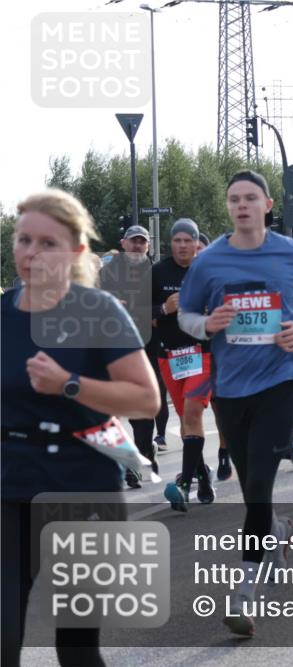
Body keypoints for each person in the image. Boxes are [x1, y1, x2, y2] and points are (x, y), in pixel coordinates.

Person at [2, 190, 160, 666]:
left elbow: (146, 400)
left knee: (75, 647)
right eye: (24, 239)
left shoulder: (99, 311)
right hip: (9, 483)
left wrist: (69, 385)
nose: (31, 253)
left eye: (47, 243)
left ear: (74, 253)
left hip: (82, 486)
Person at [177, 170, 293, 637]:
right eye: (233, 199)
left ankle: (244, 591)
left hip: (282, 380)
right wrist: (208, 324)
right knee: (251, 491)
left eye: (249, 198)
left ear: (266, 205)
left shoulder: (290, 251)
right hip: (230, 387)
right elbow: (186, 315)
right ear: (228, 208)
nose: (241, 205)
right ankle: (277, 532)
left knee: (259, 483)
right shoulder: (210, 260)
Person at [155, 219, 219, 511]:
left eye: (187, 240)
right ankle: (203, 476)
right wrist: (162, 309)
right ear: (172, 242)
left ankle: (183, 484)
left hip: (203, 354)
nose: (182, 246)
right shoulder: (157, 272)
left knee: (193, 411)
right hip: (170, 357)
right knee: (186, 421)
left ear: (197, 243)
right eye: (177, 240)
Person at [98, 224, 166, 480]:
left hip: (149, 344)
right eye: (133, 241)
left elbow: (165, 306)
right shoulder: (108, 273)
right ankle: (133, 459)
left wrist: (148, 311)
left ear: (148, 246)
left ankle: (143, 454)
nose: (138, 245)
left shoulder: (156, 272)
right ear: (123, 243)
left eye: (142, 242)